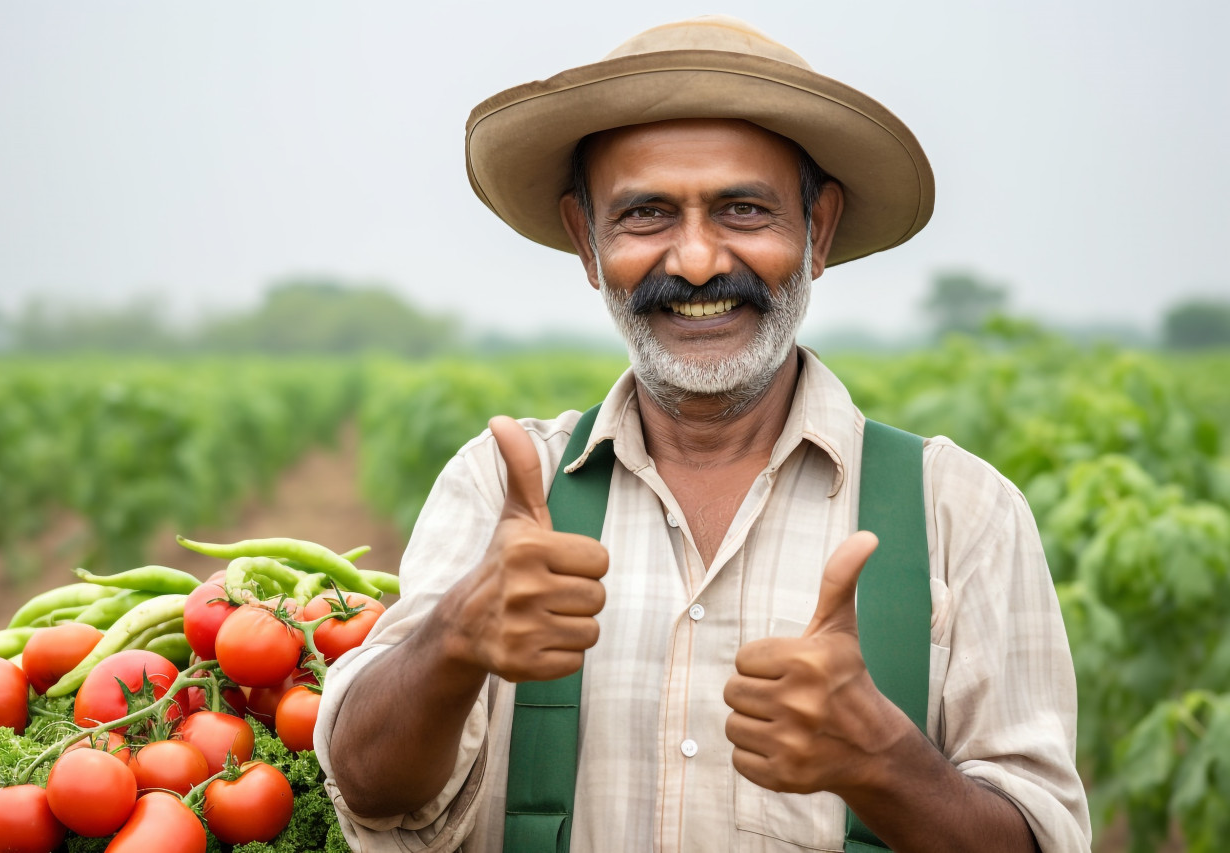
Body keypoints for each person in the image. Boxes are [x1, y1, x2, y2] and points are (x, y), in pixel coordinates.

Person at [315, 15, 1090, 852]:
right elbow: (367, 786)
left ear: (819, 230)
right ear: (586, 242)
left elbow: (1040, 833)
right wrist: (456, 638)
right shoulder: (496, 486)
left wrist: (885, 761)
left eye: (744, 210)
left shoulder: (961, 513)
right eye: (645, 214)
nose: (695, 261)